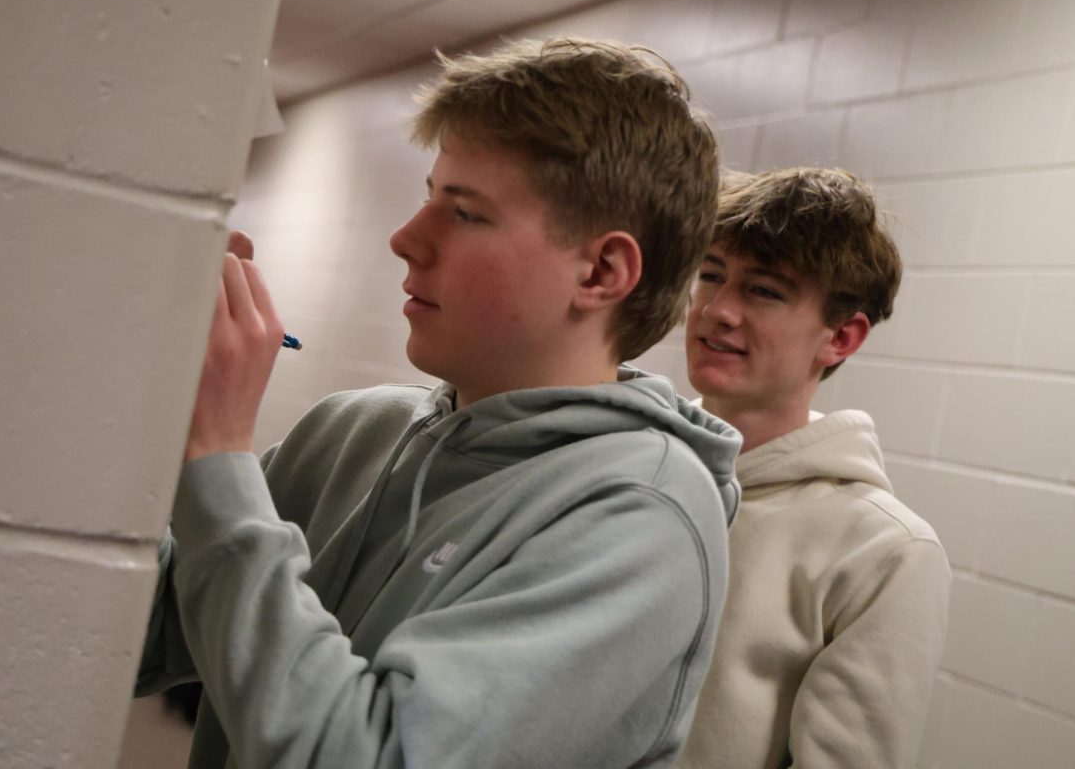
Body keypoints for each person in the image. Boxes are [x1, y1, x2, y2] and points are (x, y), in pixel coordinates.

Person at [136, 38, 742, 769]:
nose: (404, 239)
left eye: (465, 214)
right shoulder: (348, 431)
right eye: (429, 197)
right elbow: (139, 635)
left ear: (602, 271)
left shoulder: (642, 512)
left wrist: (219, 455)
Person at [674, 167, 951, 769]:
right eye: (712, 276)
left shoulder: (885, 552)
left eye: (764, 291)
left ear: (841, 339)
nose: (718, 311)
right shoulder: (634, 466)